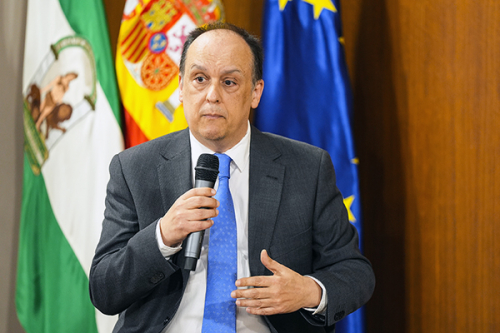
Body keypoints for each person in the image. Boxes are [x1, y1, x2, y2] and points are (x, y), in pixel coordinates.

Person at [89, 22, 375, 333]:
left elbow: (355, 272)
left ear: (255, 93)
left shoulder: (307, 167)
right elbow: (104, 290)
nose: (212, 95)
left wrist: (308, 291)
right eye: (200, 79)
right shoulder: (133, 168)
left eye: (229, 82)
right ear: (181, 89)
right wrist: (162, 236)